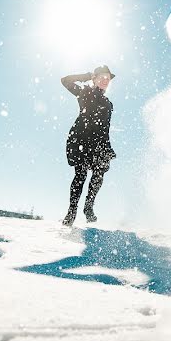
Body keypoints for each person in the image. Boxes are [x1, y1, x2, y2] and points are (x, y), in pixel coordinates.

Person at [60, 65, 117, 226]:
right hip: (82, 139)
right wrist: (86, 75)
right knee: (81, 174)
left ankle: (88, 207)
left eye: (107, 78)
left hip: (100, 142)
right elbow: (65, 81)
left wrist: (106, 148)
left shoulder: (108, 103)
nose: (105, 80)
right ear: (95, 78)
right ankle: (72, 211)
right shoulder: (85, 92)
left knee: (99, 175)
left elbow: (105, 127)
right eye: (102, 77)